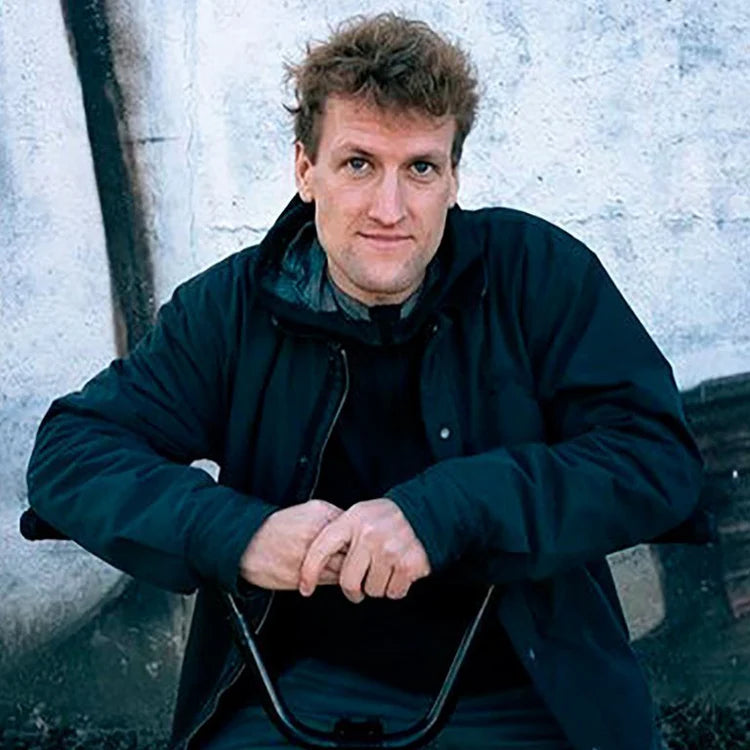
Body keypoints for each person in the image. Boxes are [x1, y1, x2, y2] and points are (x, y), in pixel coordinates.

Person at [27, 12, 703, 750]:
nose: (390, 208)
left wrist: (445, 511)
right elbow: (73, 451)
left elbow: (654, 456)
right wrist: (241, 533)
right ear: (304, 170)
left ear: (453, 178)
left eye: (420, 168)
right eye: (358, 164)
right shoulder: (231, 309)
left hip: (528, 693)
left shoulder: (539, 275)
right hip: (287, 694)